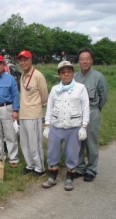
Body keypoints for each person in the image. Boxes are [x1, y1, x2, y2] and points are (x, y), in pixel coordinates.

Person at [42, 61, 90, 191]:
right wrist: (47, 125)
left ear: (72, 73)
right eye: (63, 72)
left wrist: (83, 127)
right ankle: (52, 177)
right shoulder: (55, 89)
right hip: (56, 126)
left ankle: (69, 178)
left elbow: (85, 108)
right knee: (52, 152)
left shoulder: (81, 88)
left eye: (69, 71)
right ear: (59, 75)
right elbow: (49, 108)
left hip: (73, 127)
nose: (66, 74)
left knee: (72, 153)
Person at [74, 48, 108, 182]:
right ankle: (80, 167)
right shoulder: (75, 76)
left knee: (91, 143)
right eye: (82, 59)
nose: (84, 62)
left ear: (91, 61)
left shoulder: (98, 77)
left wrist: (96, 109)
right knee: (78, 142)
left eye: (87, 59)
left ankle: (91, 169)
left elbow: (103, 96)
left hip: (92, 112)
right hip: (77, 113)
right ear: (79, 61)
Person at [17, 50, 48, 176]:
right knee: (24, 143)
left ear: (31, 60)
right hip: (23, 114)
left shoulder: (38, 75)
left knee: (35, 143)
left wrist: (37, 108)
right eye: (21, 60)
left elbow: (45, 96)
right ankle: (30, 165)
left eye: (25, 60)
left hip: (34, 115)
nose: (23, 62)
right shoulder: (23, 75)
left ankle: (40, 168)